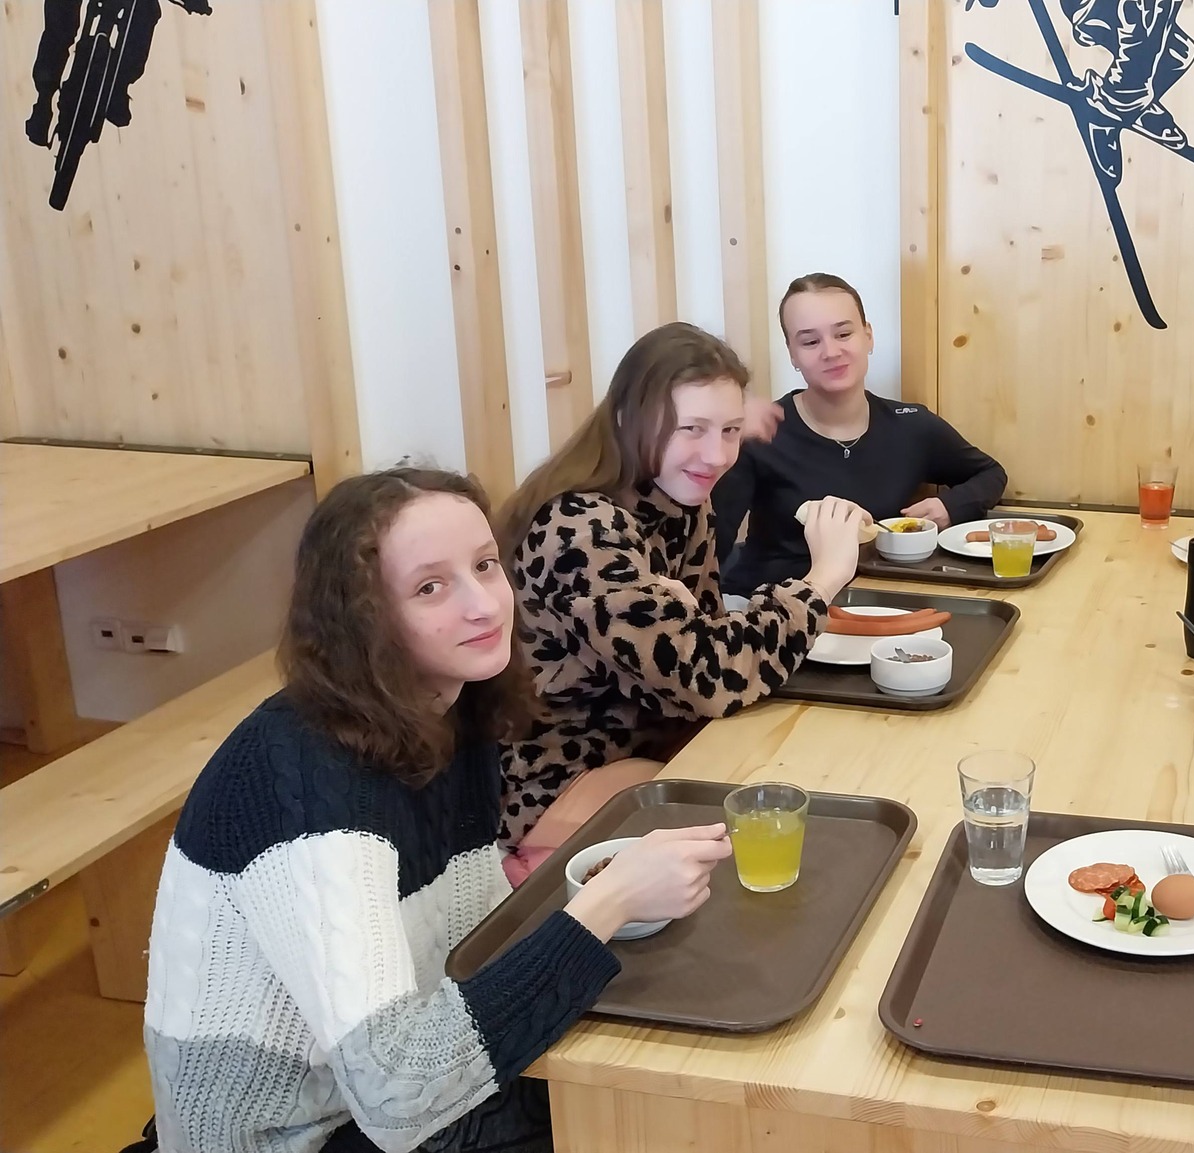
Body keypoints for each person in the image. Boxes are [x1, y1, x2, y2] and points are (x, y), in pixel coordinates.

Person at [142, 469, 734, 1153]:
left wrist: (609, 903)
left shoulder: (451, 709)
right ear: (362, 620)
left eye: (485, 565)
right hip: (305, 1134)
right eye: (430, 587)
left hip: (393, 1086)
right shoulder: (311, 787)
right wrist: (609, 900)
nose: (484, 605)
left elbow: (470, 947)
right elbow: (398, 1098)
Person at [495, 323, 866, 880]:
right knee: (793, 831)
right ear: (629, 418)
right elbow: (710, 676)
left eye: (731, 430)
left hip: (661, 743)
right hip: (563, 781)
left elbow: (704, 644)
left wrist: (689, 622)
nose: (716, 455)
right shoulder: (578, 528)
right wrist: (822, 579)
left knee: (827, 776)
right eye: (691, 429)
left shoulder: (678, 498)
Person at [712, 273, 1007, 590]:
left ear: (868, 336)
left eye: (843, 334)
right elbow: (708, 547)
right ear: (792, 354)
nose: (831, 352)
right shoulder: (760, 432)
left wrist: (951, 506)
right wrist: (722, 432)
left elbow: (990, 473)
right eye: (810, 342)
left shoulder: (911, 426)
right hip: (770, 604)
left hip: (878, 600)